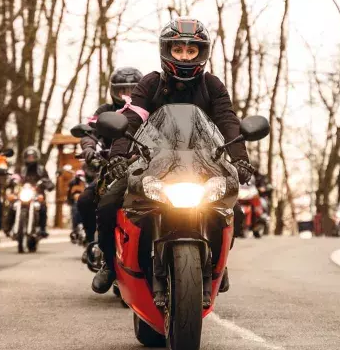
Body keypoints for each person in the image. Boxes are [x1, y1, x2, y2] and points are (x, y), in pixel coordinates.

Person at [92, 18, 255, 294]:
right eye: (178, 50)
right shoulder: (151, 83)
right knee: (107, 202)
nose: (184, 57)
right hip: (154, 164)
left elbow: (228, 122)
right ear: (166, 50)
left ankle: (218, 264)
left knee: (234, 209)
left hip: (204, 165)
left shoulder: (212, 86)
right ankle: (109, 264)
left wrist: (240, 159)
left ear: (202, 54)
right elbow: (131, 119)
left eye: (191, 51)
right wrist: (118, 157)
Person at [77, 68, 143, 255]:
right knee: (85, 200)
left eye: (132, 90)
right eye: (122, 90)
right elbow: (90, 132)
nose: (127, 96)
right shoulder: (105, 111)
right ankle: (93, 242)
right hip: (111, 167)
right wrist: (89, 147)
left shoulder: (147, 109)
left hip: (145, 166)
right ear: (113, 91)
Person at [8, 146, 55, 239]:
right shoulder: (20, 168)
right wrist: (12, 181)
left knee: (43, 207)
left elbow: (47, 179)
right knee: (13, 205)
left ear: (36, 157)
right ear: (25, 157)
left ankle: (42, 229)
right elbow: (14, 177)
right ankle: (9, 227)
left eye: (32, 156)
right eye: (29, 157)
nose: (30, 158)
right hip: (23, 193)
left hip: (37, 194)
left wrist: (47, 183)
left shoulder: (41, 169)